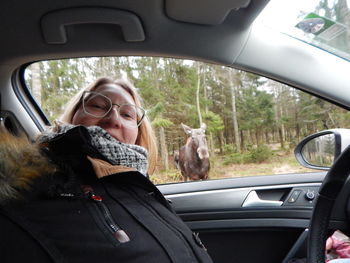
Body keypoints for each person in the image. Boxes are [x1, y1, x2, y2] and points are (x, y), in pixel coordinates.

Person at [0, 77, 213, 263]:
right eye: (98, 106)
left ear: (138, 134)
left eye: (128, 114)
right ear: (73, 115)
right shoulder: (27, 184)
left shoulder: (142, 187)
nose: (113, 118)